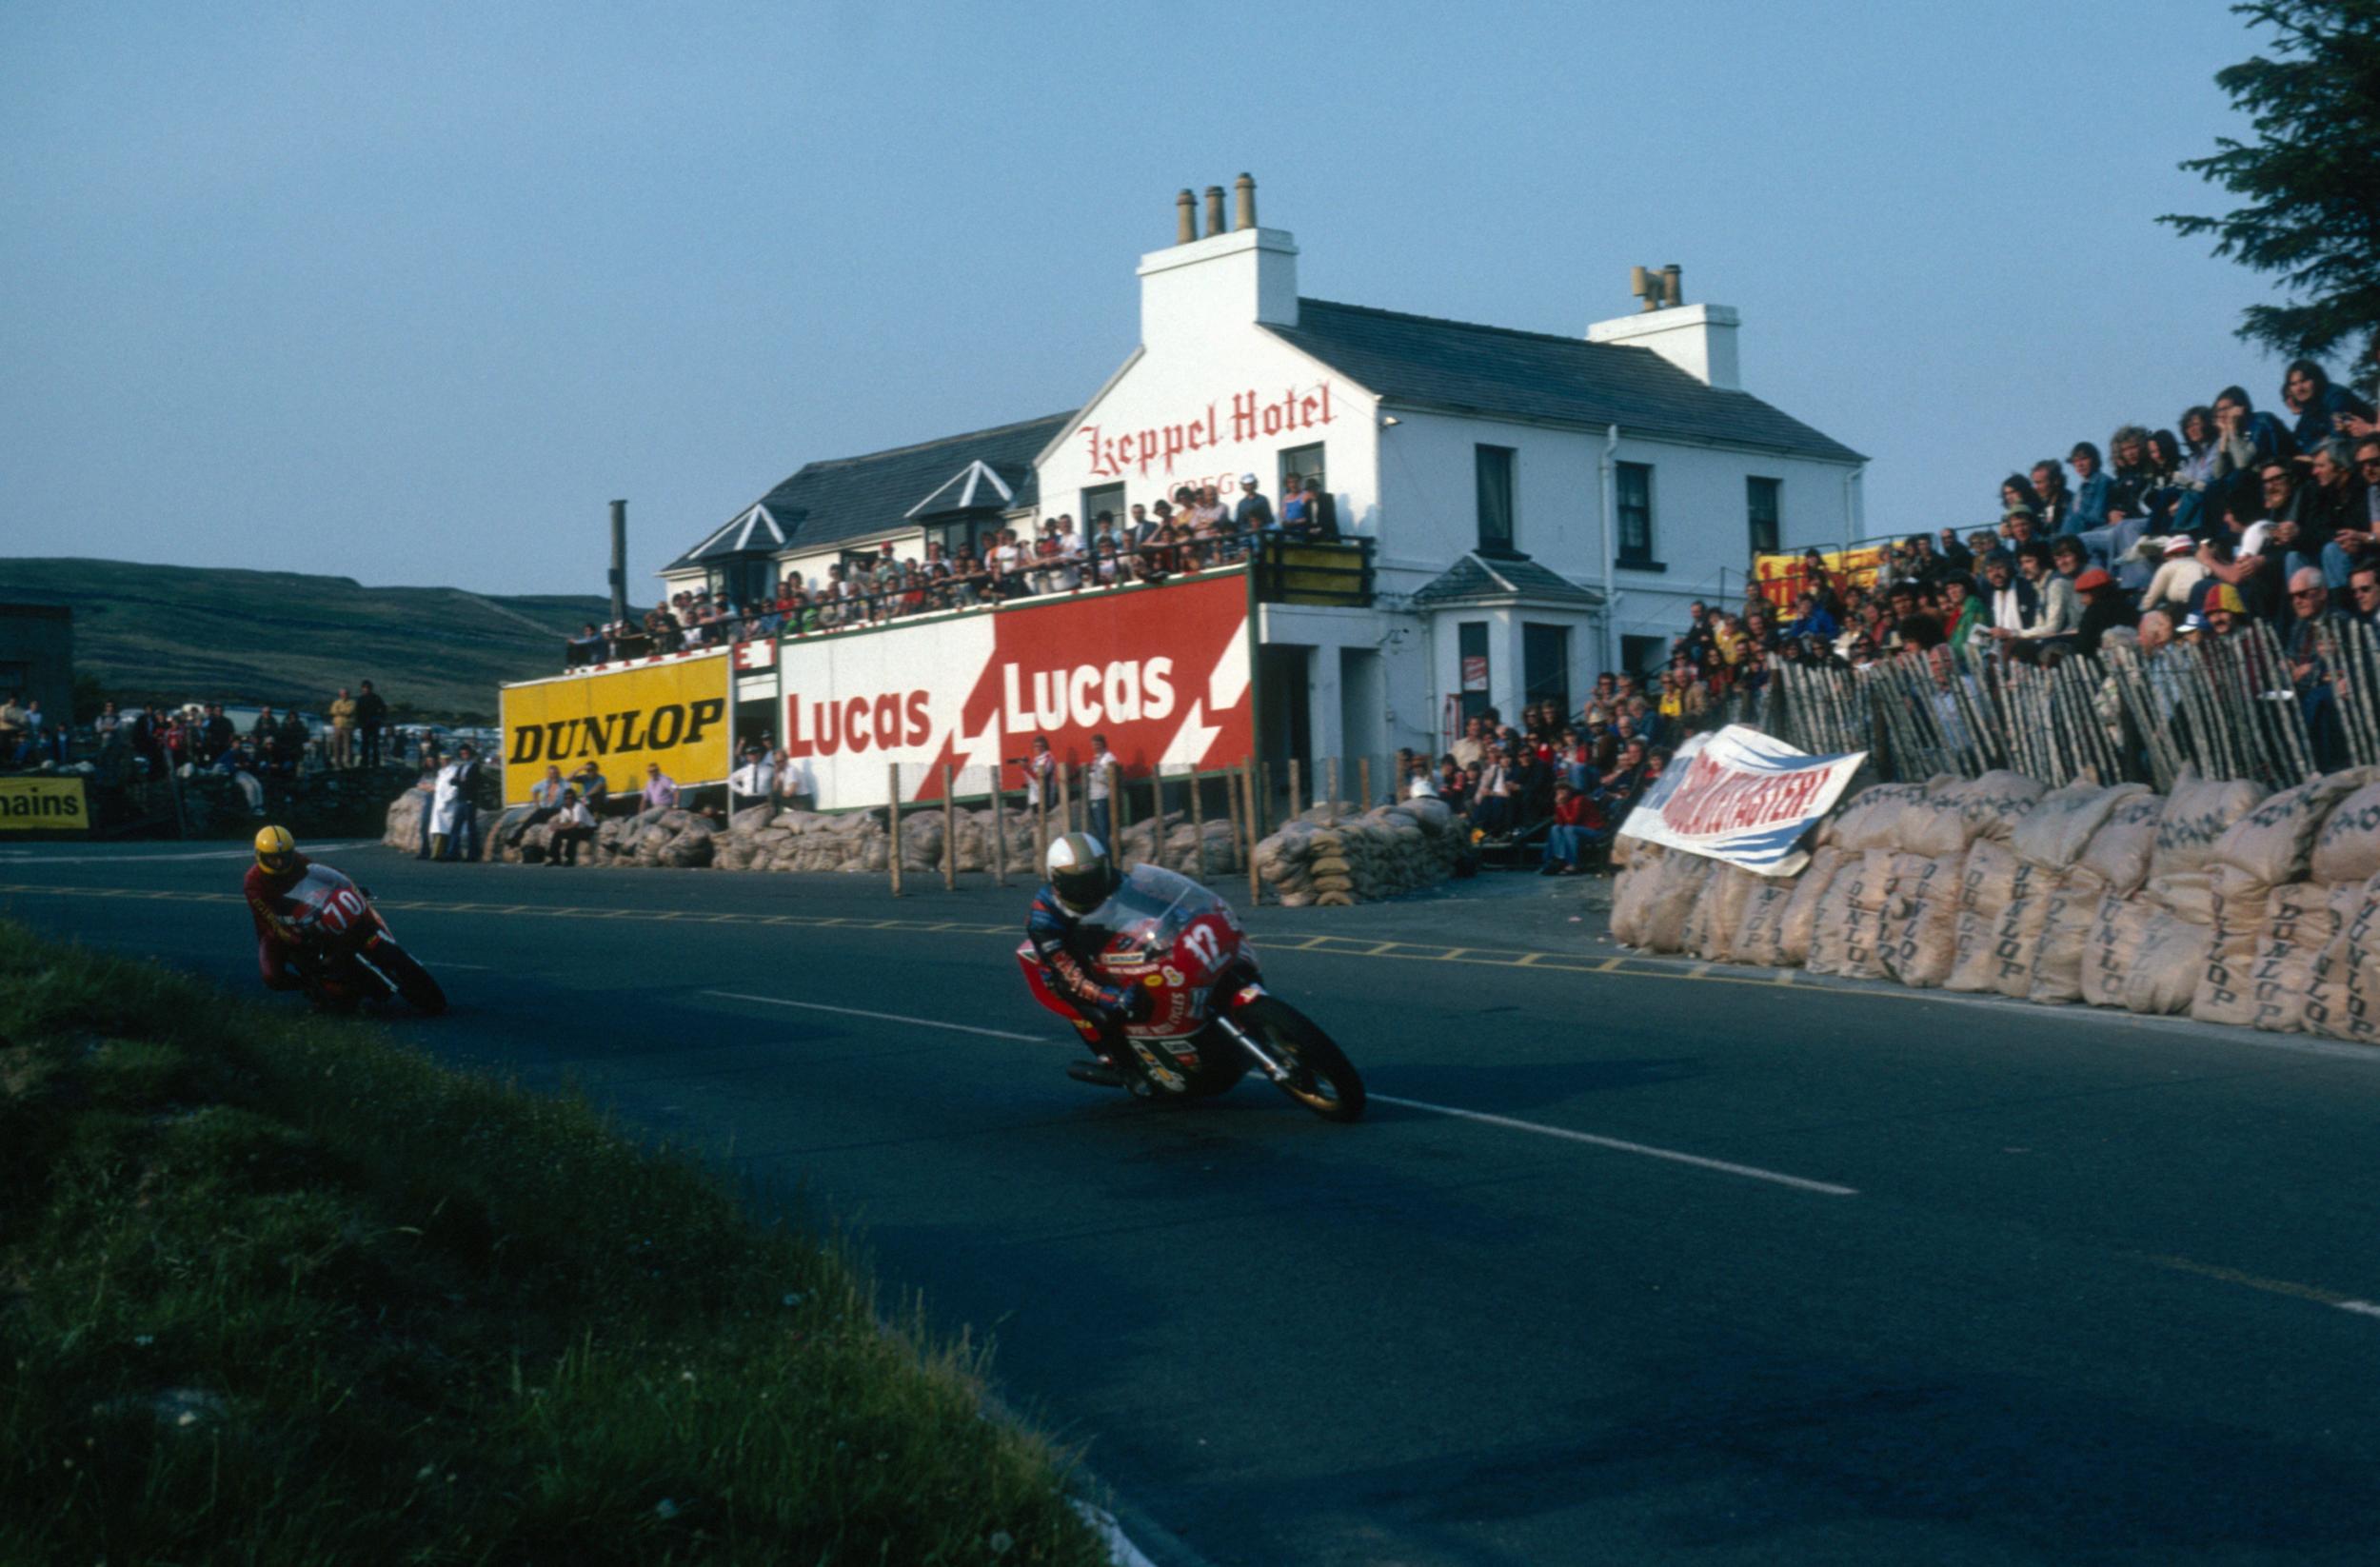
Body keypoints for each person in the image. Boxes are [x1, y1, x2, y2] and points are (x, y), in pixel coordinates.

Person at [1026, 833, 1154, 1091]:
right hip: (1069, 969)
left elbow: (1151, 903)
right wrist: (1108, 998)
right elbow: (1068, 974)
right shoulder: (1043, 916)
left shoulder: (1117, 881)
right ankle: (1128, 1070)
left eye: (1094, 879)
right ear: (1057, 882)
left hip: (1107, 944)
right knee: (1107, 1015)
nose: (1089, 890)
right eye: (1078, 884)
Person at [245, 824, 314, 993]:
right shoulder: (253, 882)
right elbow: (270, 918)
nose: (280, 862)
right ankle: (310, 988)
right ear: (260, 856)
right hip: (274, 931)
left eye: (284, 856)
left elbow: (321, 872)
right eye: (273, 858)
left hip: (306, 916)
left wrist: (347, 884)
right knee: (272, 977)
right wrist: (293, 938)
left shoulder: (297, 860)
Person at [430, 744, 481, 862]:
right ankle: (451, 853)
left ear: (470, 753)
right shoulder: (462, 767)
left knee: (470, 828)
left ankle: (472, 855)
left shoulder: (474, 767)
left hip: (470, 800)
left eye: (466, 753)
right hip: (461, 799)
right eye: (462, 754)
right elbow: (453, 781)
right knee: (455, 828)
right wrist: (460, 781)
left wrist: (460, 782)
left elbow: (472, 783)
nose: (464, 756)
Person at [546, 787, 596, 865]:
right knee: (558, 833)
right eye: (566, 798)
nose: (568, 799)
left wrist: (562, 827)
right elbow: (563, 823)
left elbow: (576, 823)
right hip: (578, 828)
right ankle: (555, 858)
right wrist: (557, 826)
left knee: (574, 832)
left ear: (574, 798)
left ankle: (570, 859)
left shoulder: (578, 807)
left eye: (570, 798)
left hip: (588, 829)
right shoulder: (564, 808)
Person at [1086, 733, 1116, 844]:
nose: (1095, 747)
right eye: (1093, 745)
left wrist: (1093, 775)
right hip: (1095, 797)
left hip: (1102, 798)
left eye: (1098, 744)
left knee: (1104, 832)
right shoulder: (1097, 758)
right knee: (1098, 832)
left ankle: (1109, 859)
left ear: (1104, 744)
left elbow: (1110, 779)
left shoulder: (1108, 758)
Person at [355, 680, 387, 768]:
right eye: (364, 688)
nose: (366, 690)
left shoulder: (376, 698)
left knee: (375, 744)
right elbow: (358, 712)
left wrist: (380, 718)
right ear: (362, 689)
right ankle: (364, 761)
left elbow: (383, 709)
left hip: (374, 724)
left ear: (370, 689)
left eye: (367, 688)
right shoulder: (360, 699)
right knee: (364, 744)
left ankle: (375, 762)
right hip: (364, 725)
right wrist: (359, 722)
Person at [327, 687, 357, 768]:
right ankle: (338, 763)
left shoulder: (352, 702)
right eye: (342, 694)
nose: (343, 695)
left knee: (347, 746)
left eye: (345, 693)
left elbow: (349, 711)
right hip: (337, 726)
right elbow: (332, 711)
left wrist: (339, 711)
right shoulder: (336, 702)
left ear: (348, 694)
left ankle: (348, 763)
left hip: (348, 726)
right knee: (336, 745)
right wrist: (342, 712)